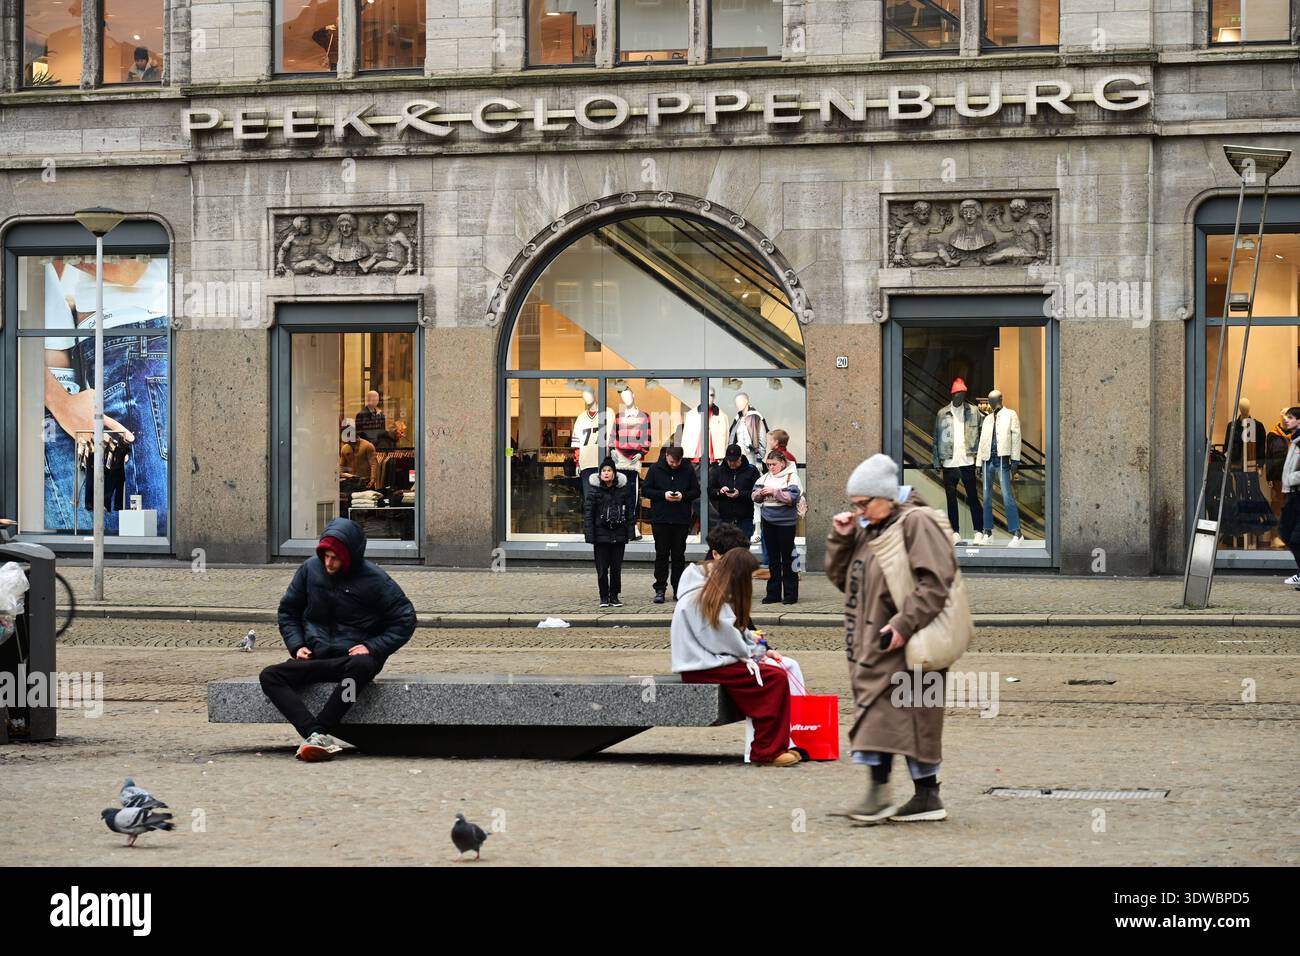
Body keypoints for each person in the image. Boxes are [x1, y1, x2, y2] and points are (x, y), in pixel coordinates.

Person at [825, 454, 960, 823]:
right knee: (905, 720)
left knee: (895, 718)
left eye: (864, 503)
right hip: (875, 644)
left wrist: (902, 625)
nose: (860, 512)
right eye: (855, 505)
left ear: (885, 495)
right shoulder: (871, 528)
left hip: (907, 642)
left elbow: (936, 583)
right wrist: (841, 538)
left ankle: (881, 794)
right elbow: (844, 582)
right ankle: (926, 798)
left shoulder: (916, 523)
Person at [260, 517, 416, 761]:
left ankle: (321, 729)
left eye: (335, 558)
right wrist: (297, 645)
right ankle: (314, 733)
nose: (329, 563)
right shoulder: (310, 569)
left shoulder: (375, 580)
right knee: (270, 676)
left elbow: (405, 619)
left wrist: (372, 647)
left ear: (350, 556)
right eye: (325, 556)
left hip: (353, 663)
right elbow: (289, 610)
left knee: (359, 672)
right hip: (317, 656)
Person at [671, 547, 802, 767]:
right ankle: (766, 750)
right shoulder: (704, 596)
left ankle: (774, 747)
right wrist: (750, 652)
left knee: (774, 676)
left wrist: (754, 647)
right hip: (702, 665)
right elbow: (721, 638)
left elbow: (730, 631)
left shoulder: (709, 590)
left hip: (706, 662)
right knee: (774, 678)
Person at [642, 445, 700, 604]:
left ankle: (678, 589)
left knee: (678, 556)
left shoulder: (687, 470)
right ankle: (660, 589)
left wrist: (683, 496)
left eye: (677, 461)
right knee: (661, 554)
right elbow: (645, 490)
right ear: (666, 457)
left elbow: (696, 491)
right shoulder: (655, 469)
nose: (674, 464)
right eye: (672, 461)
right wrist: (663, 495)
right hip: (661, 518)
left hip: (680, 519)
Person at [753, 450, 802, 605]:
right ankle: (773, 594)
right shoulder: (765, 477)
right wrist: (760, 493)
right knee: (773, 560)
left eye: (774, 464)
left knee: (788, 559)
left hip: (786, 523)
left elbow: (793, 498)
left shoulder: (791, 477)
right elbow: (753, 496)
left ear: (782, 462)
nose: (771, 468)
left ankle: (790, 594)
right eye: (768, 465)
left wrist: (775, 492)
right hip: (768, 521)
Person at [584, 457, 630, 608]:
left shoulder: (622, 491)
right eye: (603, 471)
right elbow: (589, 514)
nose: (606, 473)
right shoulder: (593, 492)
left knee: (616, 568)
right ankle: (604, 597)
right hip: (600, 536)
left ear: (614, 473)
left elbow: (629, 513)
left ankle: (614, 596)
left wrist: (629, 533)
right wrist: (590, 535)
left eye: (609, 470)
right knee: (602, 569)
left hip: (618, 535)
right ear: (599, 474)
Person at [708, 444, 759, 540]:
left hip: (745, 518)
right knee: (726, 549)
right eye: (729, 461)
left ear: (740, 457)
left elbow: (757, 493)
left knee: (742, 550)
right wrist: (720, 491)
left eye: (735, 461)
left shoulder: (751, 471)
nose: (732, 463)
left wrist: (740, 494)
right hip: (725, 518)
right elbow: (710, 492)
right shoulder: (718, 471)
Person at [1278, 406, 1300, 587]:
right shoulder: (1294, 440)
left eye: (1291, 417)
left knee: (1294, 537)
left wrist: (1290, 479)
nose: (1286, 420)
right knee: (1285, 532)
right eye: (1286, 417)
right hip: (1292, 494)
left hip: (1298, 494)